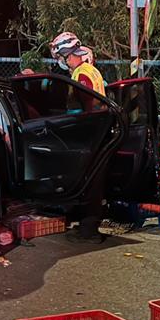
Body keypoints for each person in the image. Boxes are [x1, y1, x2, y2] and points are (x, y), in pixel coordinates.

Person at [49, 31, 107, 242]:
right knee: (92, 182)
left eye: (60, 58)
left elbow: (85, 106)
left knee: (89, 183)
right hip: (98, 133)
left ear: (67, 55)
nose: (60, 62)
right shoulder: (90, 71)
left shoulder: (82, 74)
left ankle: (89, 230)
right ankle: (86, 225)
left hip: (89, 135)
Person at [49, 31, 106, 96]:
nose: (59, 61)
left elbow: (83, 101)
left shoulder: (80, 75)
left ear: (68, 56)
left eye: (59, 57)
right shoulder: (89, 69)